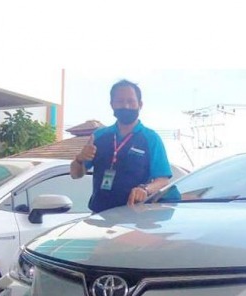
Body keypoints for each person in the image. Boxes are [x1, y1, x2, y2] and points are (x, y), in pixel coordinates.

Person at [71, 79, 174, 213]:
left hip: (135, 217)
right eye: (120, 101)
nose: (126, 106)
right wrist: (79, 159)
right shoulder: (99, 136)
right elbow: (75, 174)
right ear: (112, 104)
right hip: (99, 215)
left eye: (131, 101)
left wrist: (145, 189)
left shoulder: (151, 138)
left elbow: (163, 180)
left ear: (140, 104)